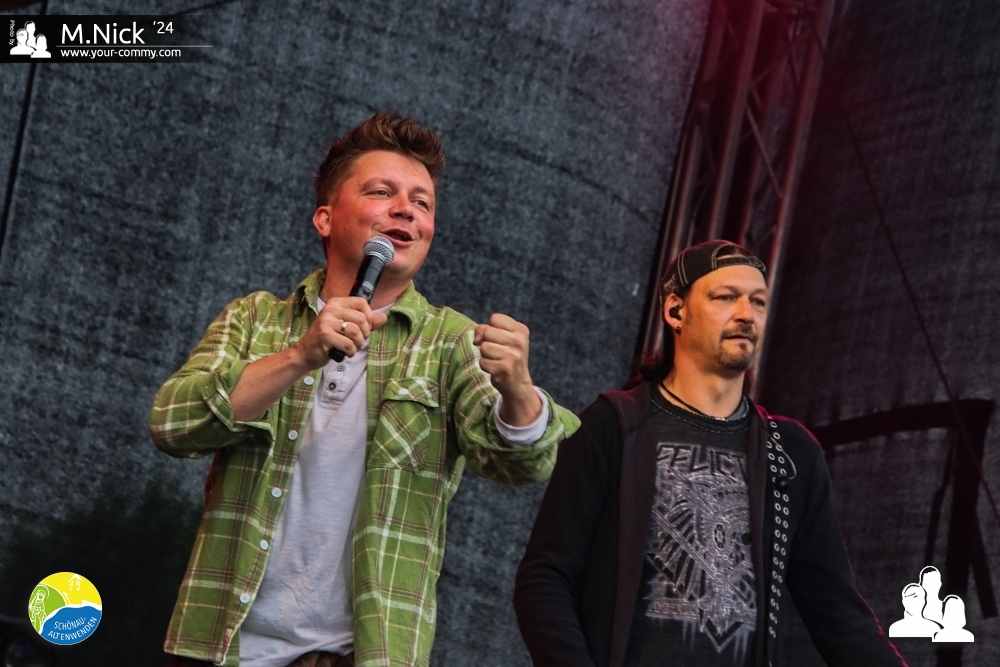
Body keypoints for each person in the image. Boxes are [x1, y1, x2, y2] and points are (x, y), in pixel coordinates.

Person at [150, 112, 579, 667]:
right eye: (381, 192)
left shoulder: (451, 343)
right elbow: (172, 425)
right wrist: (300, 355)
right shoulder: (255, 320)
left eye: (422, 202)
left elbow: (521, 465)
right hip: (221, 645)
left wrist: (518, 390)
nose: (407, 210)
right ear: (326, 218)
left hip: (362, 655)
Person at [513, 240, 906, 667]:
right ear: (675, 311)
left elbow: (839, 614)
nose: (746, 314)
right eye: (725, 297)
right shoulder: (613, 426)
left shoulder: (790, 453)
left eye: (758, 301)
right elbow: (545, 577)